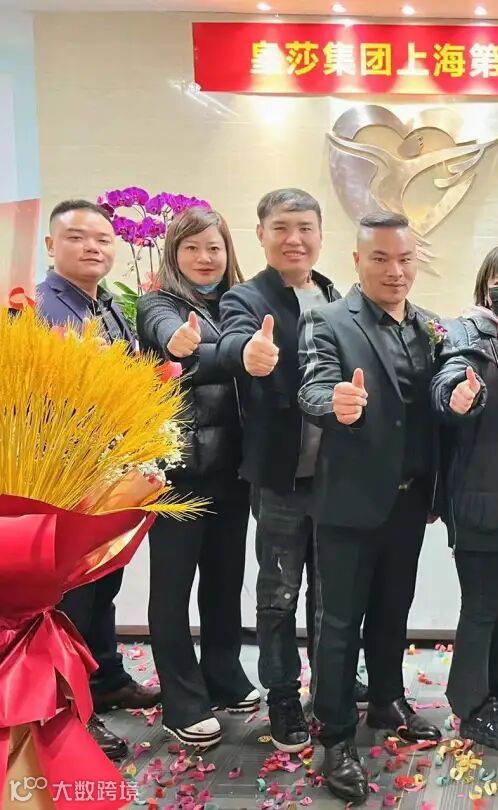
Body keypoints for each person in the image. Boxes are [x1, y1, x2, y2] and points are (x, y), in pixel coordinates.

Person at [297, 212, 442, 804]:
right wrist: (335, 402)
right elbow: (311, 386)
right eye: (380, 258)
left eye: (404, 258)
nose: (395, 270)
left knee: (392, 610)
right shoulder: (328, 320)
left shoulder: (429, 325)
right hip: (350, 501)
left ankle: (386, 699)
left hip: (410, 500)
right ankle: (335, 736)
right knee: (339, 623)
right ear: (357, 260)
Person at [218, 188, 361, 753]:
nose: (294, 239)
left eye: (305, 228)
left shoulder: (336, 295)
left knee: (332, 595)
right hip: (282, 477)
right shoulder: (246, 298)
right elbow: (234, 341)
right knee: (279, 594)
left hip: (337, 478)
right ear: (261, 235)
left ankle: (330, 689)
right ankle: (281, 695)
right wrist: (247, 354)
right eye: (281, 228)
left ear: (322, 235)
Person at [36, 199, 160, 761]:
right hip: (68, 475)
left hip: (113, 468)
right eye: (77, 237)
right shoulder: (39, 309)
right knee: (73, 598)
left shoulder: (106, 303)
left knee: (104, 581)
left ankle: (106, 677)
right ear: (50, 246)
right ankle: (72, 711)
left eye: (103, 239)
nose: (92, 247)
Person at [135, 207, 259, 748]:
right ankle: (182, 700)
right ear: (174, 254)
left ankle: (223, 674)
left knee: (226, 581)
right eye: (192, 248)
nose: (205, 258)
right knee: (172, 589)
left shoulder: (240, 304)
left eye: (214, 247)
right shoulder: (158, 303)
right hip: (179, 472)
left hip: (235, 468)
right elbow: (169, 338)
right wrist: (185, 346)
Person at [430, 244, 498, 752]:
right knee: (480, 607)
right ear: (484, 288)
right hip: (482, 498)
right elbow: (450, 376)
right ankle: (470, 705)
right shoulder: (465, 332)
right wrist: (457, 395)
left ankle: (497, 685)